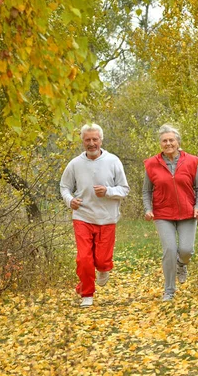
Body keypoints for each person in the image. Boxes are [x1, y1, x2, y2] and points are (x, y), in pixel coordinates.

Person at [60, 123, 130, 308]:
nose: (91, 143)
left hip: (107, 218)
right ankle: (87, 294)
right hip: (82, 215)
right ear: (82, 141)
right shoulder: (75, 163)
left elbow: (124, 189)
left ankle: (104, 268)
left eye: (94, 139)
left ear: (101, 140)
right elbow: (64, 187)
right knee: (84, 258)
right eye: (87, 140)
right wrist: (70, 201)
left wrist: (107, 191)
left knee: (101, 260)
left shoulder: (113, 161)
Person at [143, 124, 198, 301]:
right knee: (169, 249)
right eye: (164, 141)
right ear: (160, 143)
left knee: (186, 249)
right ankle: (169, 290)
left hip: (188, 211)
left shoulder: (191, 161)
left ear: (178, 142)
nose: (168, 143)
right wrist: (148, 209)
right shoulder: (151, 164)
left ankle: (181, 264)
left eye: (171, 140)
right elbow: (146, 191)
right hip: (162, 213)